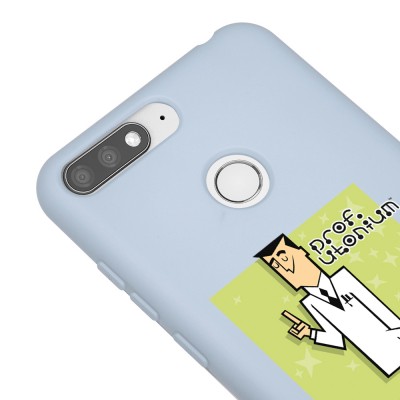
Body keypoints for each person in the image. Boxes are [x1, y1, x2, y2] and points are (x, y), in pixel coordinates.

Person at [255, 234, 400, 377]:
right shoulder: (310, 303)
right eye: (275, 265)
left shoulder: (344, 279)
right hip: (382, 358)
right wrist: (309, 332)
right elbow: (336, 338)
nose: (284, 267)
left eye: (284, 257)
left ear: (301, 253)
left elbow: (383, 312)